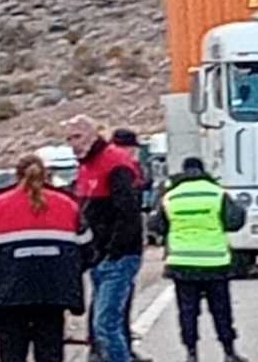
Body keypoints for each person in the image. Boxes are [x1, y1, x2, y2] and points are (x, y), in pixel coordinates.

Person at [0, 155, 91, 362]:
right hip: (53, 293)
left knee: (12, 352)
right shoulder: (68, 205)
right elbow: (87, 248)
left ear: (17, 175)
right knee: (50, 351)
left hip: (9, 293)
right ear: (47, 175)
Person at [64, 115, 144, 362]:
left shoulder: (114, 163)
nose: (73, 144)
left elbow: (128, 213)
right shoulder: (86, 166)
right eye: (69, 138)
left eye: (77, 136)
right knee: (104, 323)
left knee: (106, 324)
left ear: (92, 134)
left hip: (117, 256)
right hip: (100, 256)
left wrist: (113, 251)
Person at [153, 157, 249, 362]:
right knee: (221, 310)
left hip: (182, 263)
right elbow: (234, 221)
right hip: (215, 263)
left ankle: (191, 353)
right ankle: (229, 351)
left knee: (187, 311)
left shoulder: (170, 197)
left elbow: (157, 226)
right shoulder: (216, 193)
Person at [102, 128, 154, 362]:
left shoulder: (116, 167)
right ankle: (116, 351)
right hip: (121, 248)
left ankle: (112, 348)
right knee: (115, 306)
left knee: (111, 305)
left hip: (115, 246)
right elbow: (128, 210)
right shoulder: (123, 169)